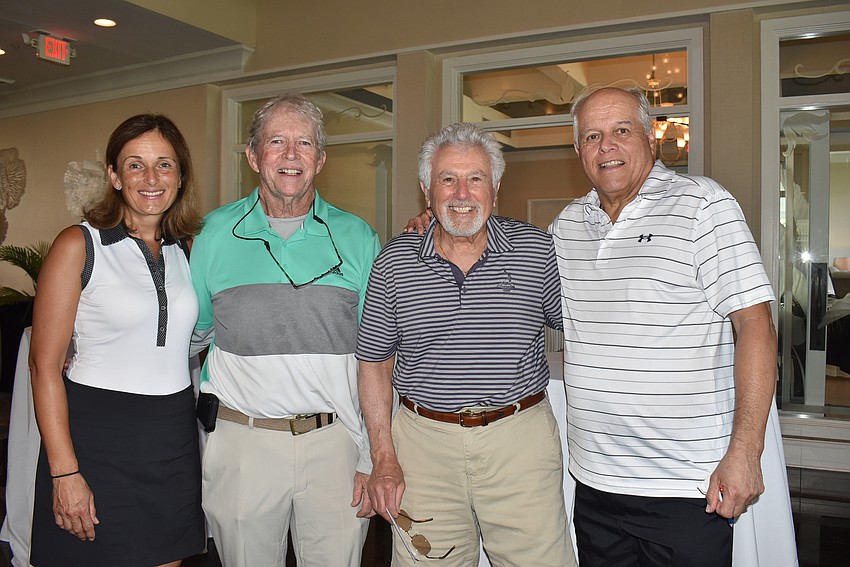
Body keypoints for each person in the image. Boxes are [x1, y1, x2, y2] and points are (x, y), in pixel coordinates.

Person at [549, 86, 777, 567]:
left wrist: (746, 451)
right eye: (591, 136)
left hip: (686, 486)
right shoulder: (566, 225)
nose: (605, 145)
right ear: (578, 151)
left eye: (621, 131)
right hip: (595, 483)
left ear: (651, 137)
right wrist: (438, 226)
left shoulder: (703, 205)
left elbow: (755, 326)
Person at [358, 122, 578, 567]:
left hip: (519, 443)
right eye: (448, 179)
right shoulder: (393, 263)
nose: (462, 193)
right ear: (426, 189)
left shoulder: (537, 250)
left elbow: (584, 328)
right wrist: (383, 456)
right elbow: (374, 364)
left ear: (495, 188)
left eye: (475, 178)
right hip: (422, 447)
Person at [189, 93, 380, 567]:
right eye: (277, 141)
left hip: (336, 443)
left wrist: (373, 455)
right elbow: (189, 336)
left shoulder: (358, 237)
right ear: (254, 156)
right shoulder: (213, 234)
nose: (291, 154)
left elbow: (377, 357)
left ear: (320, 159)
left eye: (305, 143)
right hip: (242, 445)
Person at [29, 114, 205, 567]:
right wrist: (64, 471)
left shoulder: (187, 249)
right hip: (97, 438)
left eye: (164, 165)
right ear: (113, 175)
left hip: (172, 436)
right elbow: (43, 367)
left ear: (181, 176)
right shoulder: (78, 245)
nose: (151, 178)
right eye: (135, 165)